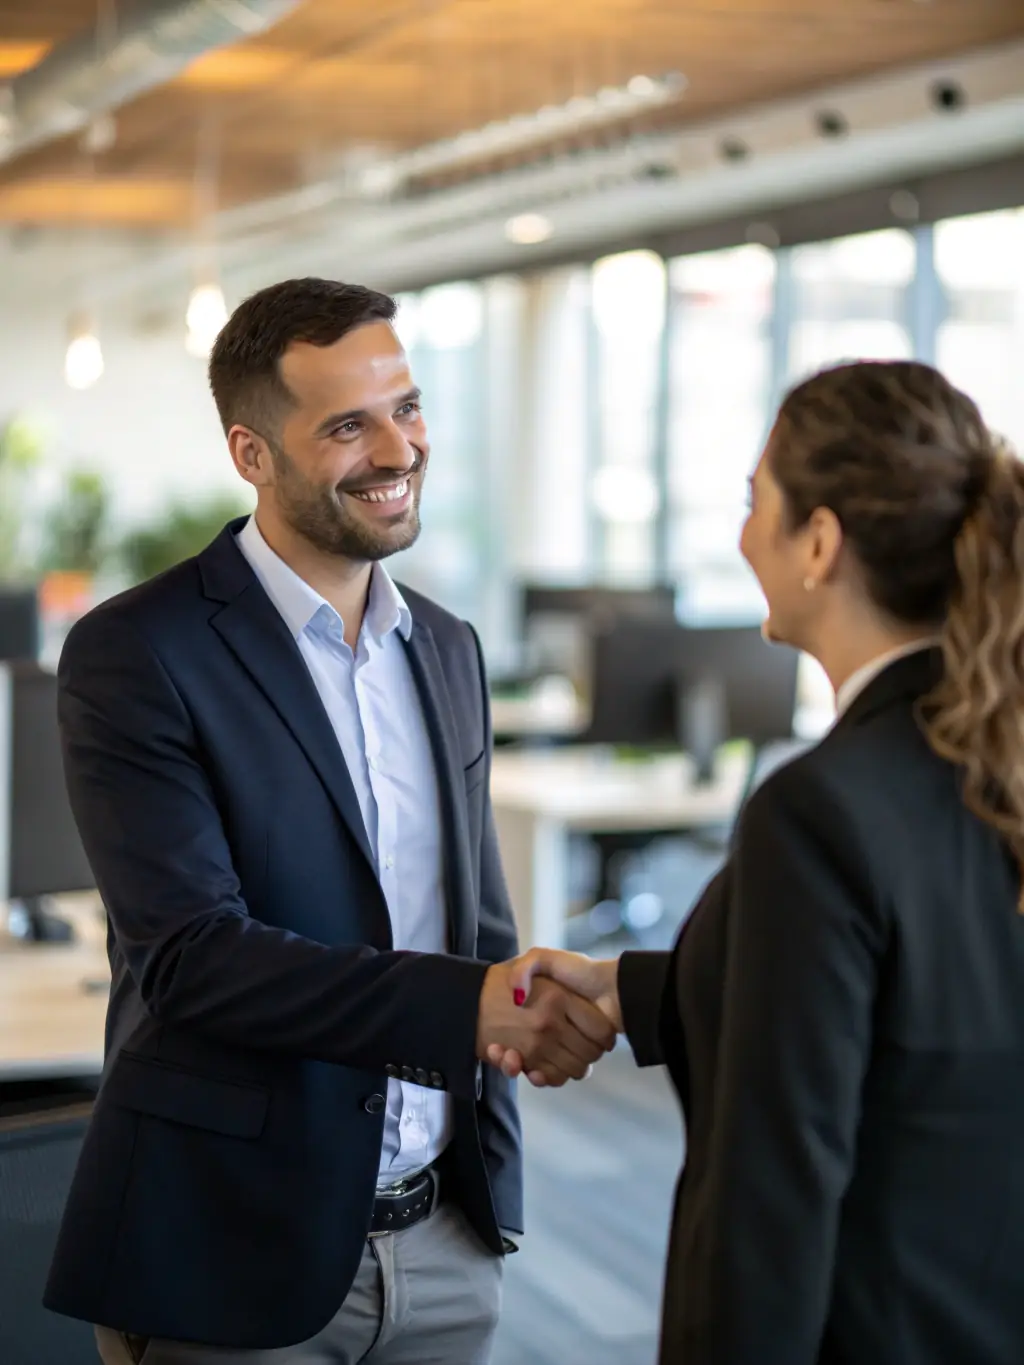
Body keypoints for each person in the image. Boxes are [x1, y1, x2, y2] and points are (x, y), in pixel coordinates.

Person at [44, 278, 615, 1365]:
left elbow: (470, 916)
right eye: (346, 426)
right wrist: (471, 1004)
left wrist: (510, 1054)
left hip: (446, 1237)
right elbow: (191, 960)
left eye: (403, 406)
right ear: (252, 453)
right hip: (233, 1246)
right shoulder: (140, 651)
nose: (396, 448)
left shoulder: (446, 646)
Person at [494, 360, 1024, 1365]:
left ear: (818, 542)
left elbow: (772, 1191)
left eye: (754, 503)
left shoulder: (820, 810)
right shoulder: (990, 758)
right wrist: (631, 989)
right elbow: (922, 1018)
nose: (741, 538)